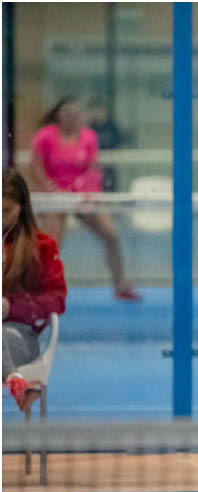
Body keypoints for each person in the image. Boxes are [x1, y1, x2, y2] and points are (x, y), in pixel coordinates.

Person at [30, 96, 139, 302]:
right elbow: (36, 167)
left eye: (75, 113)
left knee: (111, 234)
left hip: (82, 196)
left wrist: (87, 191)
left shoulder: (89, 137)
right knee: (52, 243)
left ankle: (120, 285)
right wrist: (50, 188)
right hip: (55, 198)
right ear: (59, 116)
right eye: (66, 113)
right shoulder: (45, 136)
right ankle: (41, 287)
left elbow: (93, 168)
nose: (71, 117)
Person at [3, 167, 67, 411]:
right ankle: (15, 380)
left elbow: (56, 299)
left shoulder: (42, 247)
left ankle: (13, 378)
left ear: (22, 208)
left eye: (6, 210)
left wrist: (11, 308)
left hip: (20, 335)